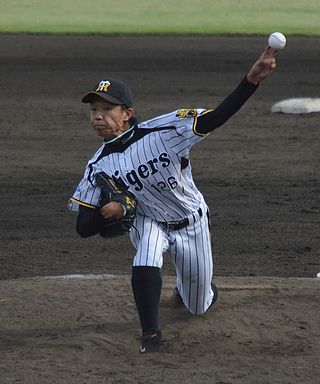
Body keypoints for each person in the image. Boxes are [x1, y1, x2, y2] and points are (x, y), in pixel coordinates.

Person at [68, 45, 279, 353]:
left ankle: (195, 290)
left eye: (106, 109)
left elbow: (217, 117)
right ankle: (150, 336)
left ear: (126, 114)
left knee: (197, 306)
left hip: (191, 220)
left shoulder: (164, 131)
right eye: (93, 110)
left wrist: (251, 81)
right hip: (149, 219)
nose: (98, 116)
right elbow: (82, 227)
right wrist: (105, 214)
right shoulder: (97, 165)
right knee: (146, 254)